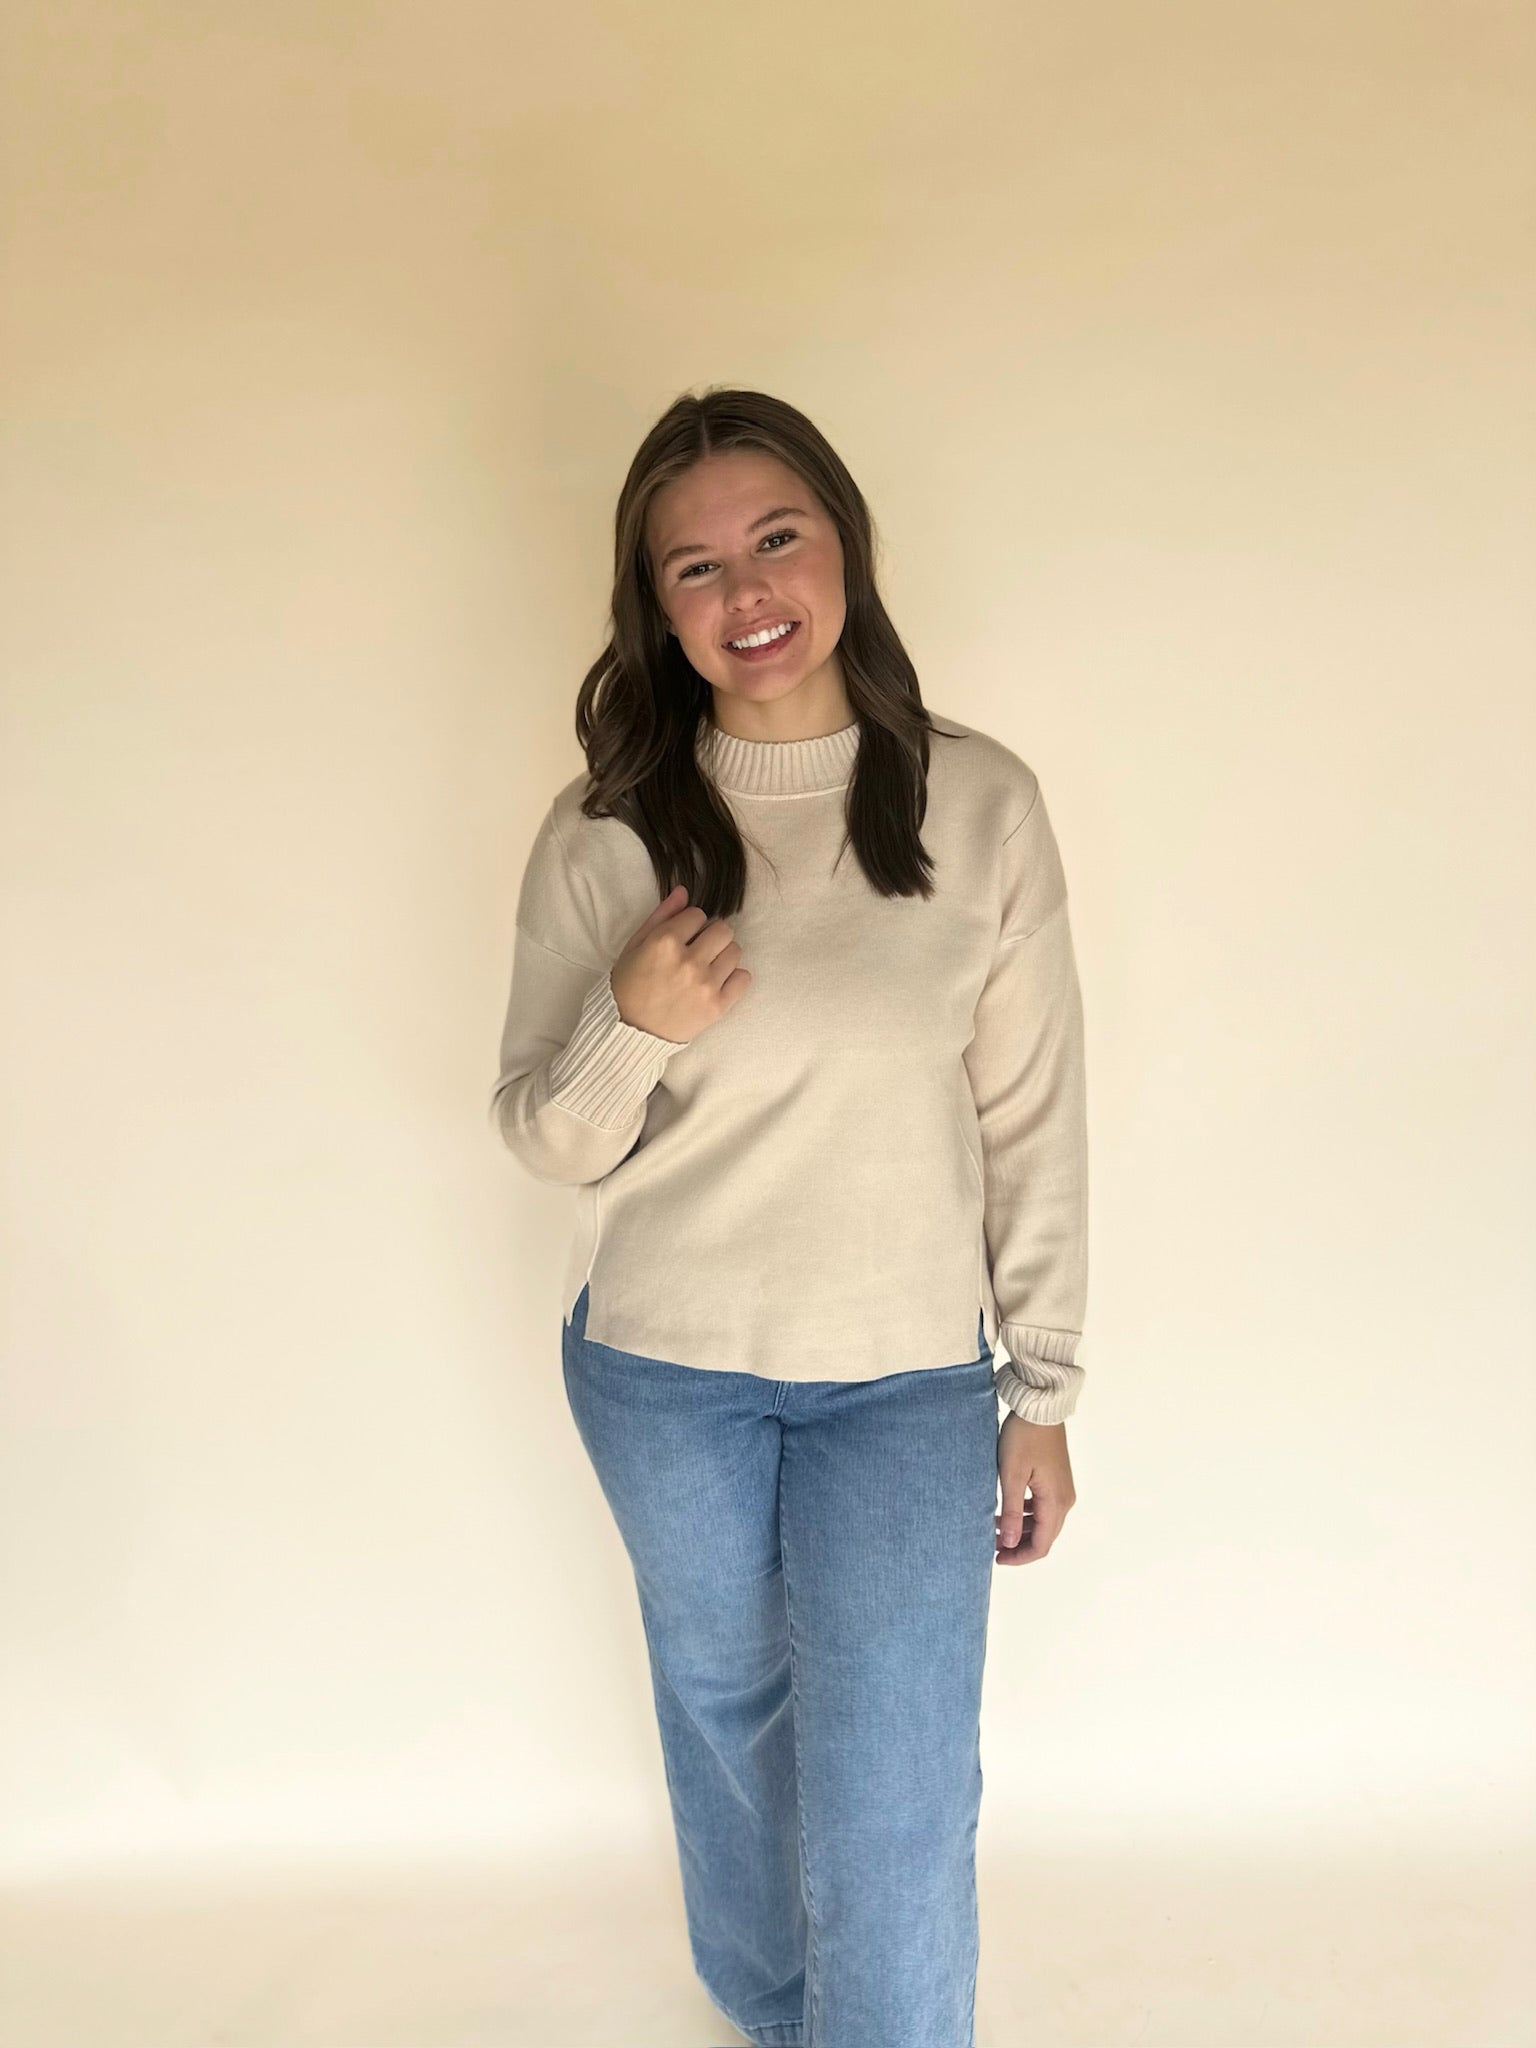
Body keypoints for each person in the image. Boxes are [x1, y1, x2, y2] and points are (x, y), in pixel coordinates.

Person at [488, 386, 1088, 2048]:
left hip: (904, 1380)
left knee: (895, 1780)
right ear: (654, 609)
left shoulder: (978, 806)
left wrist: (1040, 1391)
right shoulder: (608, 828)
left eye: (775, 538)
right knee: (733, 1721)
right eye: (693, 568)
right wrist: (636, 1025)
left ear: (842, 546)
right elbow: (545, 1134)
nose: (745, 592)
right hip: (663, 1373)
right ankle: (778, 2019)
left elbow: (1031, 1112)